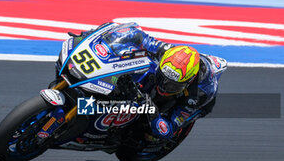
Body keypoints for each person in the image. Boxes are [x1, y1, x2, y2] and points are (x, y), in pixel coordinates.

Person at [73, 22, 227, 141]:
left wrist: (153, 113)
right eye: (163, 79)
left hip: (180, 104)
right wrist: (93, 35)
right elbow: (137, 36)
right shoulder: (166, 51)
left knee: (153, 133)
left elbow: (168, 129)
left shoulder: (197, 95)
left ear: (187, 82)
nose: (163, 86)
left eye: (172, 85)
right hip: (161, 76)